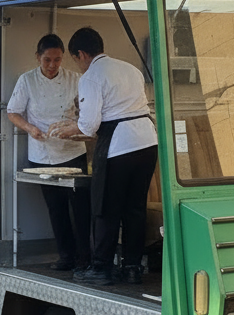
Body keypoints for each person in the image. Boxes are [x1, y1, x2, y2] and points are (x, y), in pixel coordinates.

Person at [56, 27, 158, 286]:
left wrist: (70, 129)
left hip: (119, 144)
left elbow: (89, 126)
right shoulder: (130, 69)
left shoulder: (91, 77)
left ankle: (102, 268)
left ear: (81, 54)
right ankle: (133, 267)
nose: (78, 66)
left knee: (106, 207)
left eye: (75, 60)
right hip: (147, 141)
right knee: (134, 208)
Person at [7, 33, 90, 272]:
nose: (52, 65)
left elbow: (87, 112)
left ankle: (86, 257)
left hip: (73, 150)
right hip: (42, 154)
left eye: (57, 60)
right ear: (37, 58)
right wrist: (30, 128)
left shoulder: (76, 79)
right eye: (47, 60)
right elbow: (13, 112)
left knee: (82, 208)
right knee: (56, 208)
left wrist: (75, 129)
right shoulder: (27, 80)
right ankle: (66, 256)